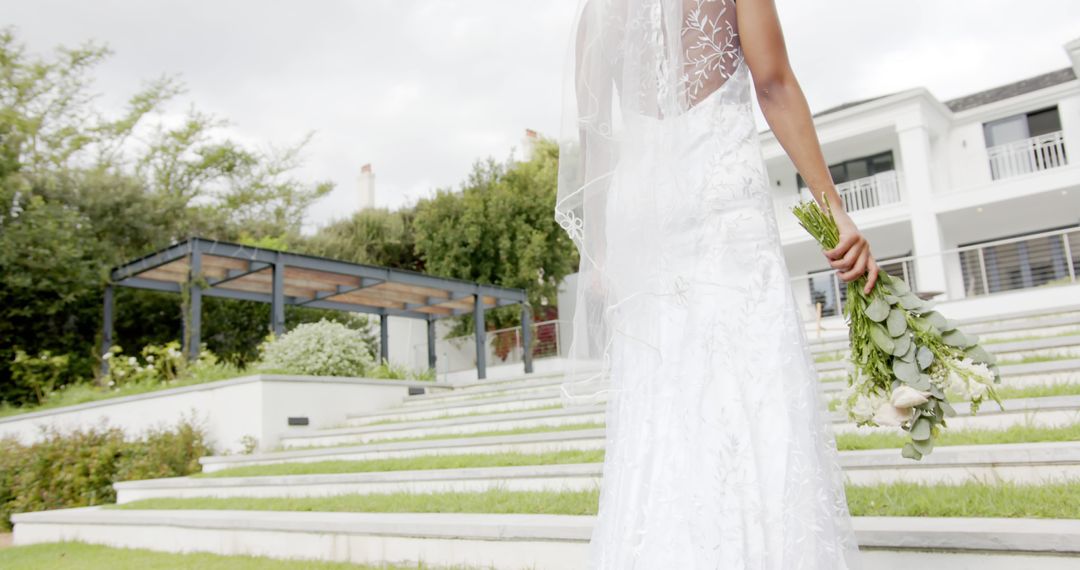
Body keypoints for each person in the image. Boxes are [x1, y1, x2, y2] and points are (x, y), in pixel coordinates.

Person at [553, 0, 872, 567]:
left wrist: (600, 251)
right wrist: (833, 207)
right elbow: (773, 84)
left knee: (662, 399)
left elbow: (596, 138)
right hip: (722, 193)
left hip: (644, 211)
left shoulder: (597, 14)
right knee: (755, 380)